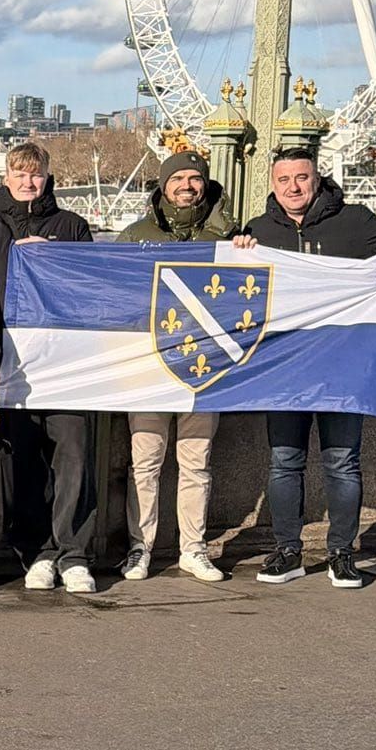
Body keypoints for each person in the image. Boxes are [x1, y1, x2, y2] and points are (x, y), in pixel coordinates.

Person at [236, 146, 376, 591]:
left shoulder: (357, 222)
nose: (293, 187)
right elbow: (234, 290)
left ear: (317, 179)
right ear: (273, 183)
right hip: (284, 366)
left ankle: (341, 554)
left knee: (343, 462)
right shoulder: (258, 231)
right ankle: (287, 549)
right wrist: (239, 252)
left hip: (343, 365)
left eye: (302, 178)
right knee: (283, 461)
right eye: (284, 179)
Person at [0, 140, 98, 595]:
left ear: (47, 177)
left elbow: (91, 291)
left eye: (35, 173)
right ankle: (37, 552)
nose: (28, 181)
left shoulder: (73, 226)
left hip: (63, 365)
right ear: (6, 178)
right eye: (19, 173)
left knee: (74, 457)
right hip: (11, 365)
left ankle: (74, 553)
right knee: (23, 462)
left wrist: (54, 259)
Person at [116, 148, 237, 584]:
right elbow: (113, 293)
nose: (187, 186)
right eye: (178, 179)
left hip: (206, 367)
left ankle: (194, 548)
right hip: (150, 367)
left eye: (194, 178)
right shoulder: (134, 236)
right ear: (163, 186)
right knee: (144, 462)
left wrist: (244, 249)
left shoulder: (229, 235)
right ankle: (139, 548)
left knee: (196, 462)